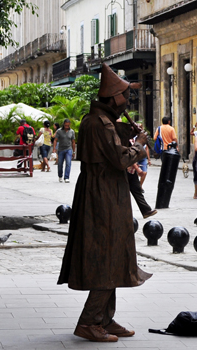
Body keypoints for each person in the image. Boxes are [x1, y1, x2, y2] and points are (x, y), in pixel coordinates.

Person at [58, 63, 151, 342]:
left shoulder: (101, 121)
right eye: (124, 96)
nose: (127, 101)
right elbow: (120, 158)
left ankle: (105, 319)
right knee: (106, 255)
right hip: (102, 197)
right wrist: (140, 145)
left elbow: (112, 150)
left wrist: (128, 137)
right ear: (113, 98)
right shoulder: (99, 122)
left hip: (108, 192)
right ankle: (89, 321)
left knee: (115, 255)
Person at [52, 119, 76, 183]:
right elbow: (55, 140)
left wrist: (74, 151)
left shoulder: (72, 131)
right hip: (61, 149)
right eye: (65, 125)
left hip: (68, 149)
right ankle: (60, 176)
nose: (67, 127)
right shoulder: (59, 131)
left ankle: (66, 177)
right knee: (60, 164)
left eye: (68, 125)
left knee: (68, 163)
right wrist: (54, 148)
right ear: (63, 124)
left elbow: (73, 142)